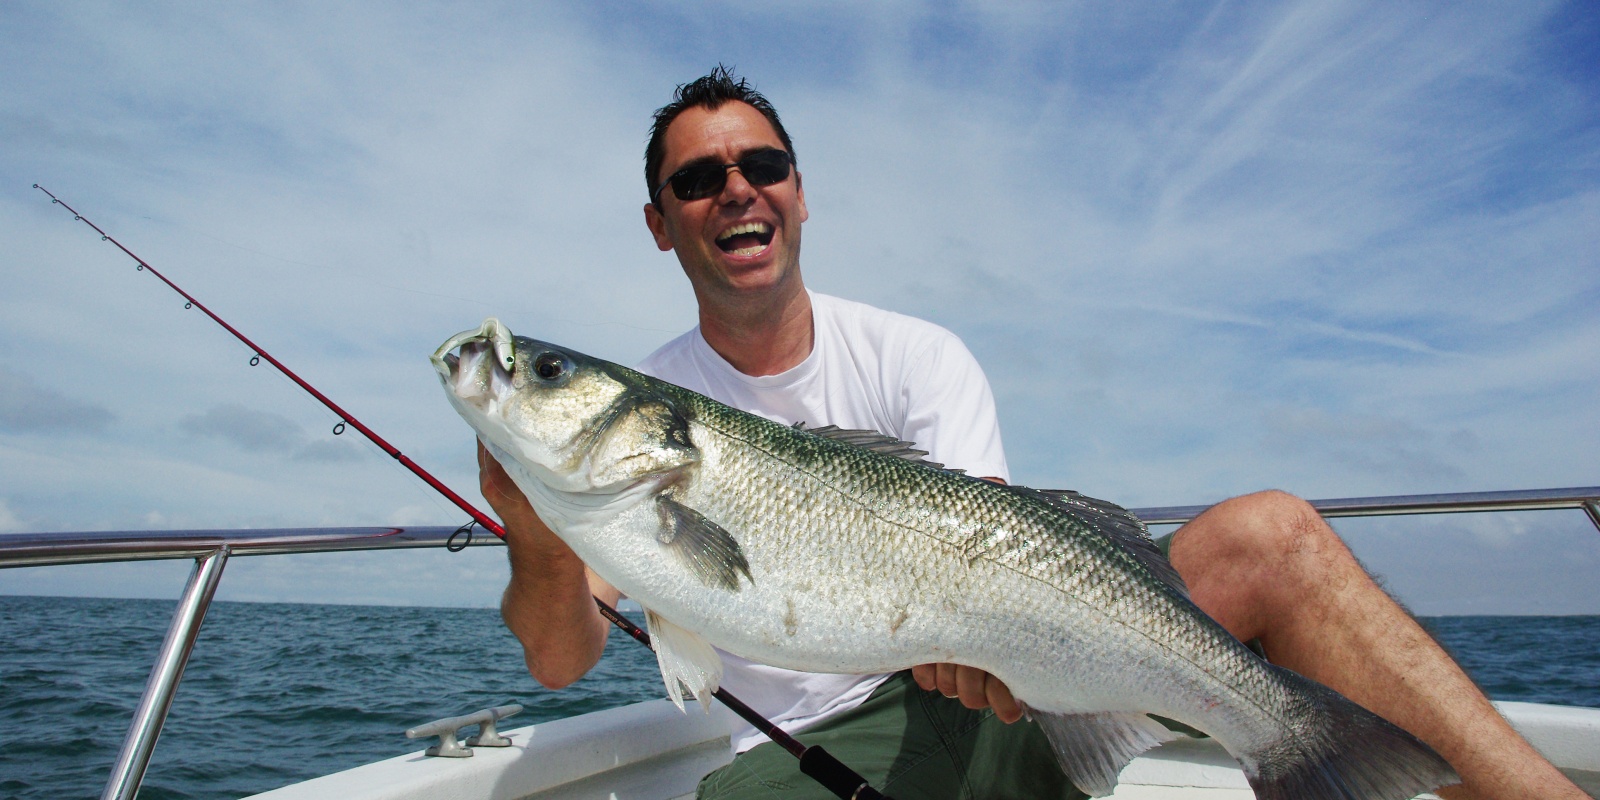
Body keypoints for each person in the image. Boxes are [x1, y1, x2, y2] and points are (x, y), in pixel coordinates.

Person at [478, 67, 1585, 800]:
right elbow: (560, 654)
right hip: (805, 755)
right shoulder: (630, 436)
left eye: (760, 166)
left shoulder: (919, 354)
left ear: (800, 194)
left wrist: (1011, 657)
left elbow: (996, 573)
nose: (735, 190)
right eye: (697, 178)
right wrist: (533, 525)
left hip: (987, 694)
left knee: (1274, 534)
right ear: (658, 222)